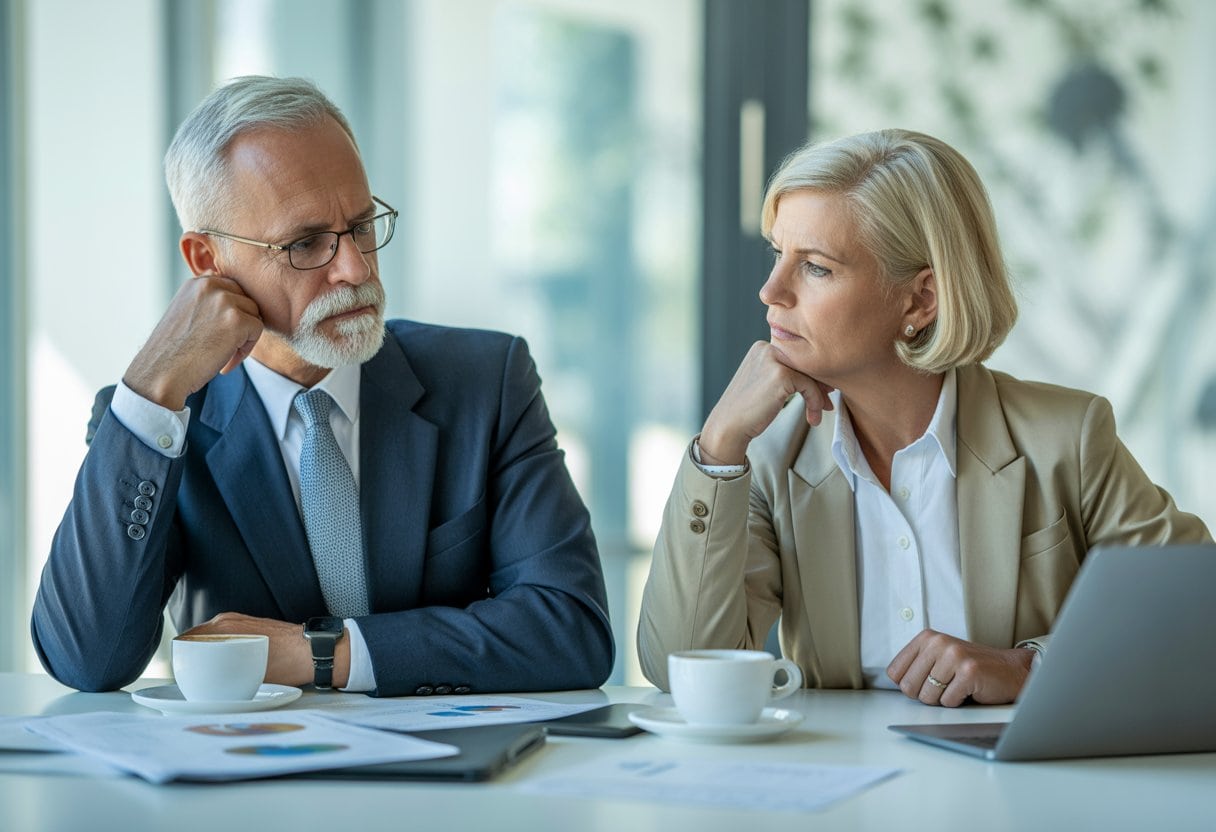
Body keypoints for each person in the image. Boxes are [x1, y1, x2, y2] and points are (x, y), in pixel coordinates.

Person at [32, 76, 614, 697]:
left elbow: (571, 629)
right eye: (306, 243)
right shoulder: (162, 421)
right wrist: (151, 384)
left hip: (450, 780)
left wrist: (321, 654)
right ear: (207, 262)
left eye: (362, 226)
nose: (355, 269)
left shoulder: (486, 381)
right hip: (244, 781)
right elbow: (85, 659)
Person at [637, 128, 1211, 707]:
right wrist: (717, 448)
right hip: (836, 787)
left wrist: (1028, 667)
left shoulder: (1067, 436)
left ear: (920, 300)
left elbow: (1198, 615)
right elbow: (677, 667)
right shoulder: (766, 458)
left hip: (1023, 789)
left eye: (814, 267)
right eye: (777, 255)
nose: (770, 291)